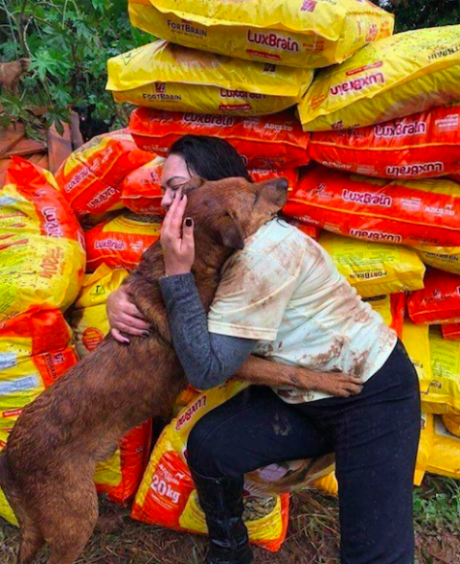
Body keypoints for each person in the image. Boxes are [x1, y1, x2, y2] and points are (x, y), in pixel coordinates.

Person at [107, 135, 421, 564]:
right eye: (164, 189)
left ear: (216, 191)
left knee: (373, 554)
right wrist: (117, 299)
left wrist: (177, 277)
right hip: (303, 399)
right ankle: (229, 550)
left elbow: (206, 370)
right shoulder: (210, 234)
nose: (164, 202)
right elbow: (144, 276)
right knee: (210, 446)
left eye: (177, 189)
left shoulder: (263, 256)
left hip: (370, 394)